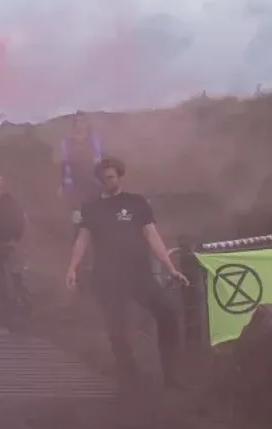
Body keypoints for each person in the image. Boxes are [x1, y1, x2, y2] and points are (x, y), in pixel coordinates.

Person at [66, 157, 188, 388]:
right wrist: (72, 267)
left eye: (111, 176)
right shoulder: (91, 207)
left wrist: (170, 268)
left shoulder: (136, 203)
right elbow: (82, 239)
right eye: (103, 178)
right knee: (116, 325)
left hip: (138, 274)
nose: (107, 181)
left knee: (167, 314)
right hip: (108, 276)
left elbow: (152, 236)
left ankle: (171, 374)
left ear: (120, 177)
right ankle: (128, 372)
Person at [0, 176, 27, 320]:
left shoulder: (10, 202)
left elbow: (20, 220)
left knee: (14, 272)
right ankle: (4, 300)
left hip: (9, 243)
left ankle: (20, 299)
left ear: (0, 186)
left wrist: (15, 239)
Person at [59, 111, 104, 227]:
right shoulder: (67, 142)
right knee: (77, 213)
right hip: (75, 181)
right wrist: (63, 184)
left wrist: (100, 178)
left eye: (82, 121)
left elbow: (99, 158)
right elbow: (65, 163)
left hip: (92, 179)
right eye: (77, 121)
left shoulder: (94, 140)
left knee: (95, 209)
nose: (80, 124)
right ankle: (78, 236)